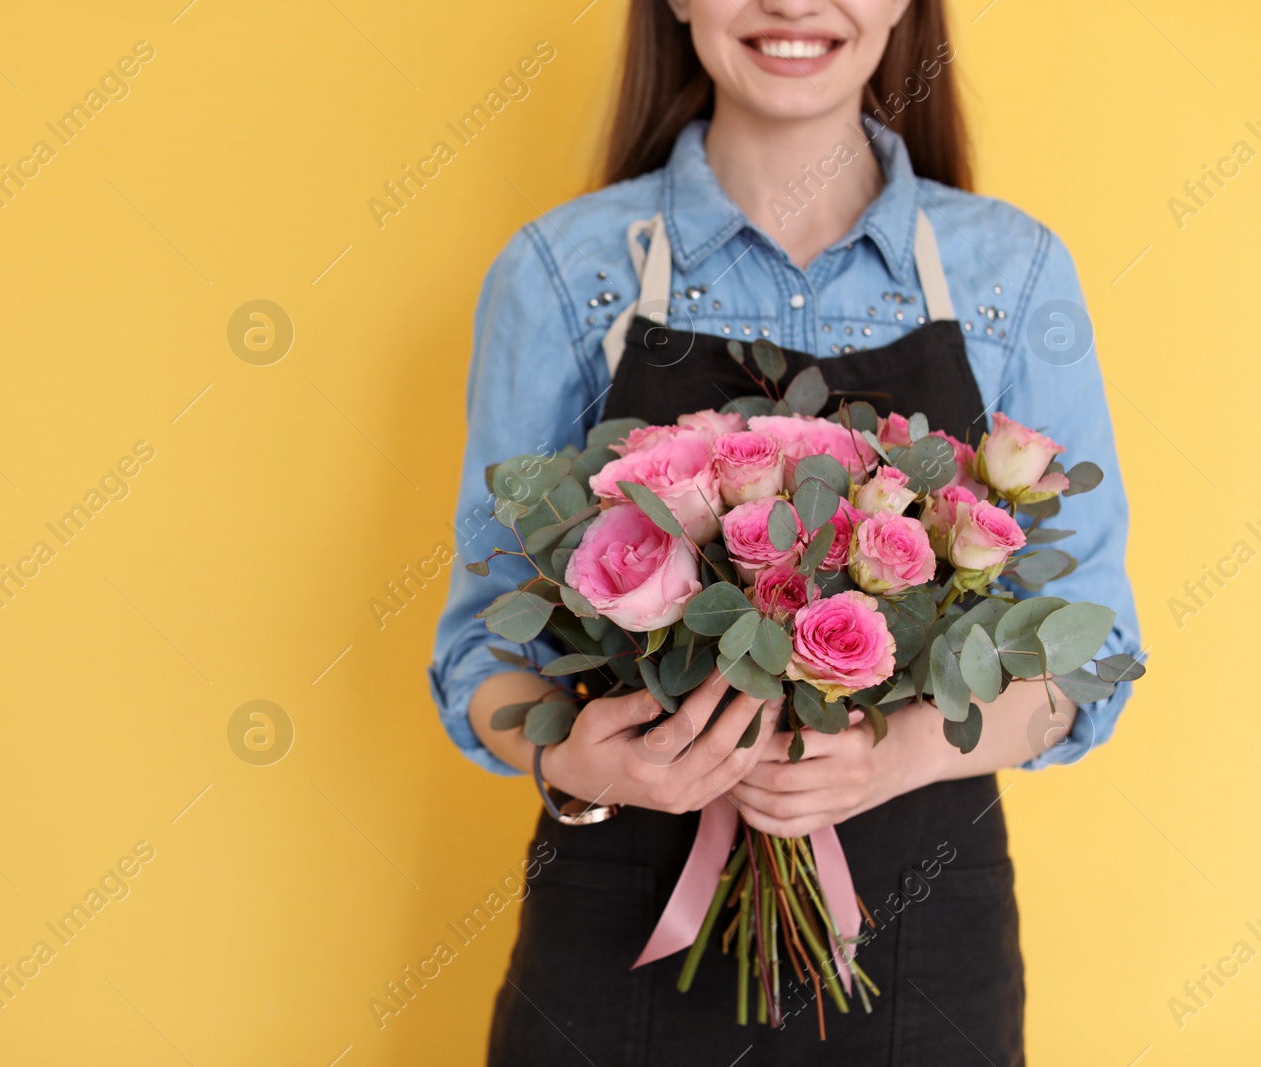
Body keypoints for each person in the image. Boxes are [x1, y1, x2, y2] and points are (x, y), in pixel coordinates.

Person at [428, 1, 1141, 1063]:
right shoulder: (562, 273)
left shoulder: (1010, 274)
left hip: (923, 956)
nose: (793, 3)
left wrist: (885, 757)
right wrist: (584, 764)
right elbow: (484, 646)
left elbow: (1090, 659)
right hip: (614, 944)